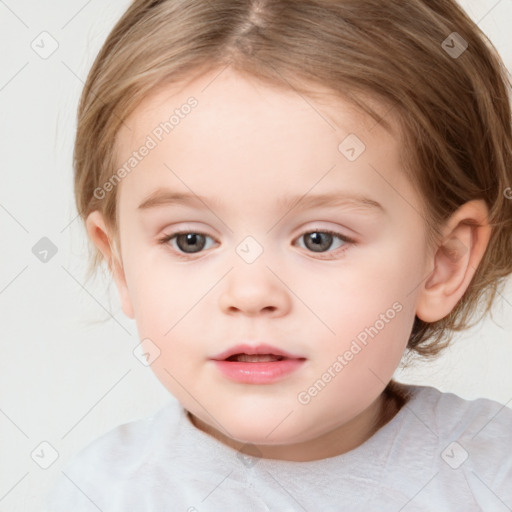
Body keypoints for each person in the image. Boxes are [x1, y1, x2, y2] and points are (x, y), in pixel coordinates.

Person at [45, 0, 512, 509]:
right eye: (190, 240)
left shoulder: (490, 477)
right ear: (120, 264)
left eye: (320, 239)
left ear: (442, 262)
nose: (250, 294)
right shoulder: (102, 494)